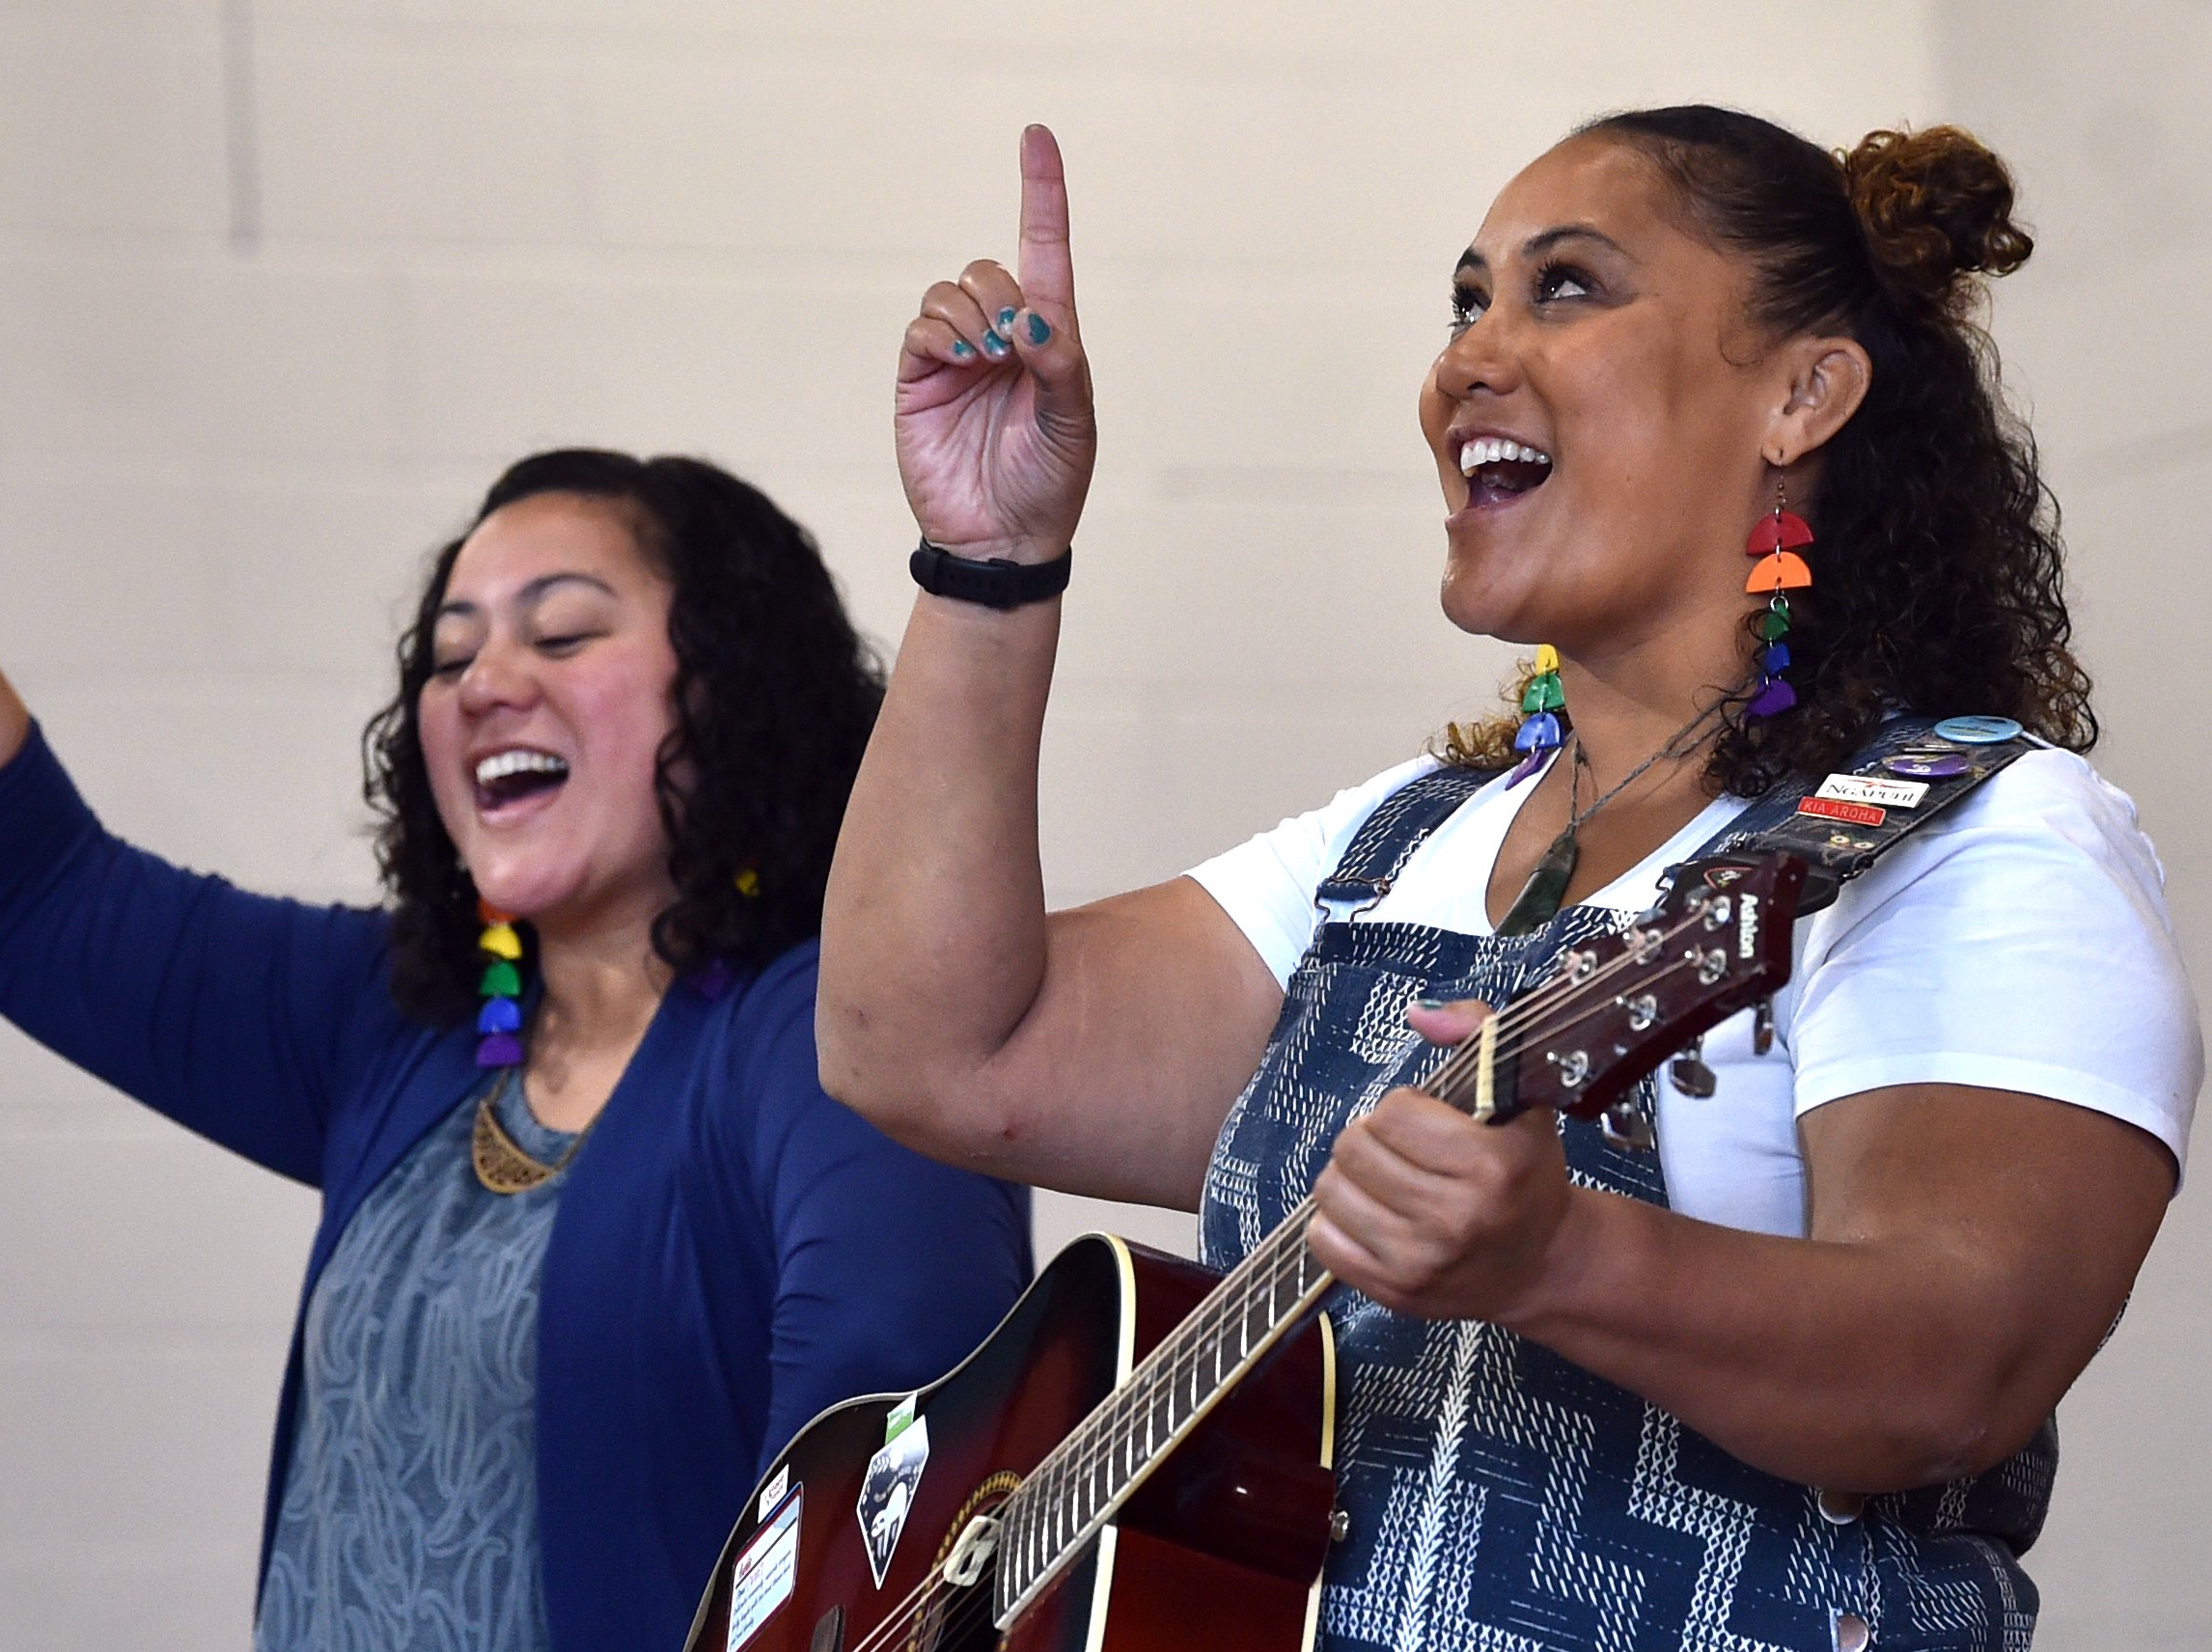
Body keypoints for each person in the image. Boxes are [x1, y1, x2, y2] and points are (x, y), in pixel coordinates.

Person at [820, 111, 2198, 1650]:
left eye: (1566, 289)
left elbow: (1959, 1370)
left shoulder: (1974, 833)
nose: (1469, 356)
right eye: (1468, 298)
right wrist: (989, 562)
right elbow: (933, 1052)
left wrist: (1565, 1258)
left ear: (1803, 393)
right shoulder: (1402, 843)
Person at [0, 365, 1032, 1652]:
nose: (483, 682)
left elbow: (888, 1434)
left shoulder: (830, 1036)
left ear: (734, 692)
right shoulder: (404, 1023)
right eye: (451, 652)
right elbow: (16, 891)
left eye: (563, 632)